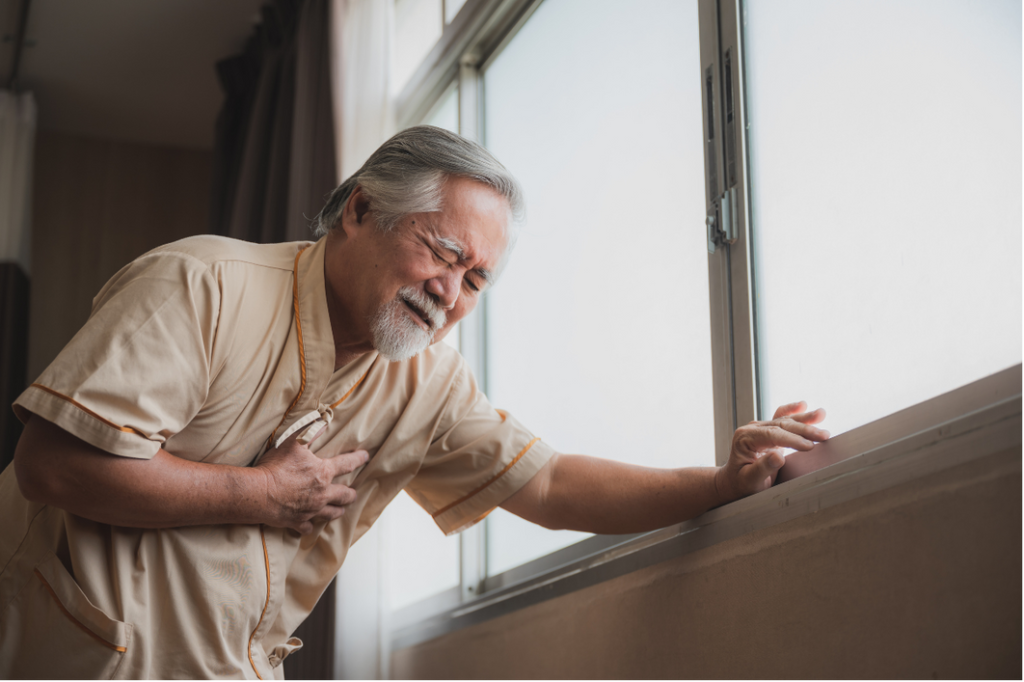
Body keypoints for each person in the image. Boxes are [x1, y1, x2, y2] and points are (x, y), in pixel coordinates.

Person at [0, 126, 828, 680]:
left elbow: (549, 484)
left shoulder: (429, 380)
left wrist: (719, 484)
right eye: (442, 252)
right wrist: (259, 495)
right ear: (361, 209)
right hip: (67, 659)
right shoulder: (200, 283)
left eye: (476, 280)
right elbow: (51, 467)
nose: (450, 293)